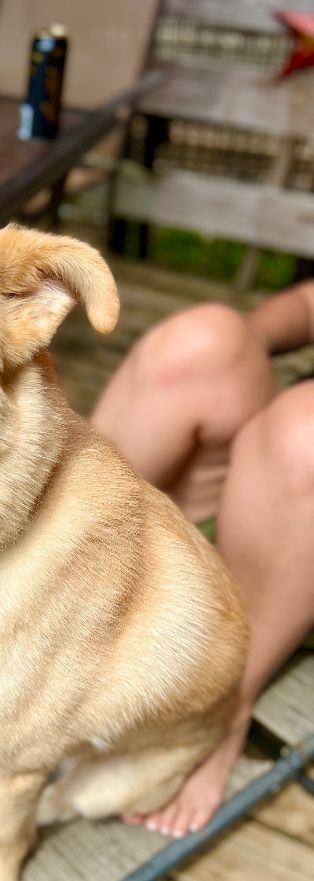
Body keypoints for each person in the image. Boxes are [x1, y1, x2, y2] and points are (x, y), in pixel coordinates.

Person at [90, 280, 314, 838]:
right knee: (205, 343)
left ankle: (219, 702)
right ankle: (43, 590)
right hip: (266, 495)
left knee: (306, 434)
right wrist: (251, 342)